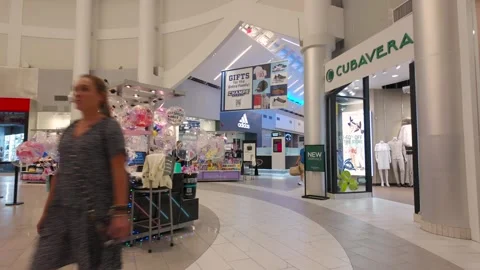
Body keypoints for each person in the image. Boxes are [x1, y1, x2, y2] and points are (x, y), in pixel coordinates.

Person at [31, 75, 129, 270]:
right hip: (60, 212)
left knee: (93, 264)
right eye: (76, 89)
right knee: (41, 262)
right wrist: (46, 212)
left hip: (93, 215)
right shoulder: (70, 130)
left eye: (84, 89)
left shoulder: (109, 128)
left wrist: (120, 212)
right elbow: (61, 173)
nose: (78, 93)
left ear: (100, 96)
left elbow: (119, 171)